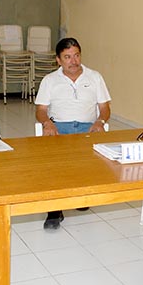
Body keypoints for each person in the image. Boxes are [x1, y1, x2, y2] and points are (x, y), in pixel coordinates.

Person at [35, 37, 111, 229]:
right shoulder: (50, 80)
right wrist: (47, 123)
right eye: (67, 57)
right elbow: (41, 110)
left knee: (90, 162)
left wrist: (100, 121)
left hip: (88, 127)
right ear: (58, 60)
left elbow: (105, 107)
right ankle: (54, 210)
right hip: (59, 127)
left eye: (76, 55)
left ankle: (81, 196)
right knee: (54, 165)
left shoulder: (95, 77)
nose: (73, 61)